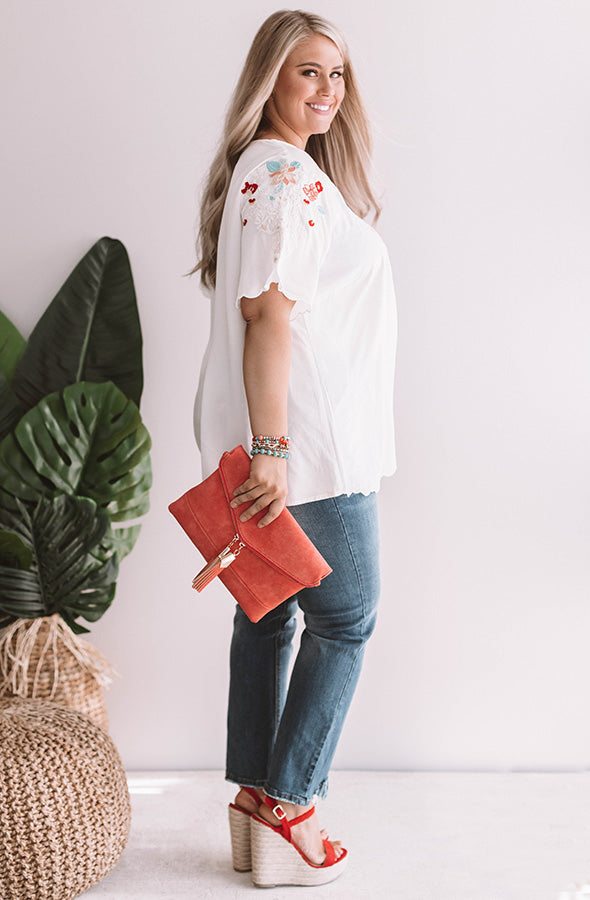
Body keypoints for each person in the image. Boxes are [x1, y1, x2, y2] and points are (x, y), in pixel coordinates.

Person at [189, 9, 397, 888]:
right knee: (346, 618)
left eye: (337, 74)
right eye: (308, 71)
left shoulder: (262, 172)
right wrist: (275, 445)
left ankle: (256, 798)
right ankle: (290, 803)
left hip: (275, 435)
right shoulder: (285, 177)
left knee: (269, 614)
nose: (327, 90)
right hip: (307, 439)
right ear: (269, 77)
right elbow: (267, 316)